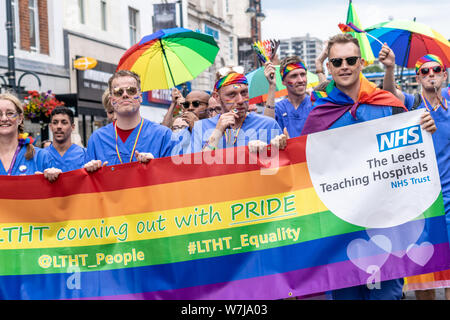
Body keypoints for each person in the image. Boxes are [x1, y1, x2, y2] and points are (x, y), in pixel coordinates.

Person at [301, 33, 436, 300]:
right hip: (339, 232)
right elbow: (303, 168)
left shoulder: (389, 105)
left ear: (361, 62)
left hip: (386, 229)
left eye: (350, 60)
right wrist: (278, 146)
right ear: (328, 67)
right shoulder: (319, 113)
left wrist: (426, 129)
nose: (344, 66)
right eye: (337, 62)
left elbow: (414, 155)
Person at [380, 47, 450, 300]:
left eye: (437, 70)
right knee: (424, 280)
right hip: (422, 204)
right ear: (418, 78)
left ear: (444, 75)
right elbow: (390, 92)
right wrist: (389, 68)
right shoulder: (412, 104)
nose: (431, 75)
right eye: (425, 71)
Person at [84, 70, 174, 172]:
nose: (125, 95)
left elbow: (174, 179)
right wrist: (91, 173)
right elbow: (88, 185)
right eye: (118, 92)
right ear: (112, 100)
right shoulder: (97, 139)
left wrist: (155, 166)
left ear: (140, 97)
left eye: (131, 90)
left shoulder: (163, 135)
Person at [191, 68, 287, 153]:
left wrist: (272, 149)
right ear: (217, 97)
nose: (240, 100)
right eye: (232, 95)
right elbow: (196, 169)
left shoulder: (268, 124)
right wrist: (218, 131)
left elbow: (284, 164)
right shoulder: (201, 127)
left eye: (244, 92)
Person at [0, 93, 61, 182]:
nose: (4, 118)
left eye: (10, 113)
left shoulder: (41, 157)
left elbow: (60, 193)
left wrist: (56, 180)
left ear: (20, 118)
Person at [263, 56, 314, 138]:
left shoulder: (315, 103)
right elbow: (265, 130)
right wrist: (272, 85)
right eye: (294, 76)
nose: (301, 80)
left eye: (303, 74)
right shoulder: (278, 109)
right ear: (283, 82)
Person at [46, 106, 88, 172]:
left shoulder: (85, 154)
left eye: (64, 122)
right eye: (55, 122)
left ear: (73, 127)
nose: (59, 126)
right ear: (50, 127)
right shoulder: (41, 156)